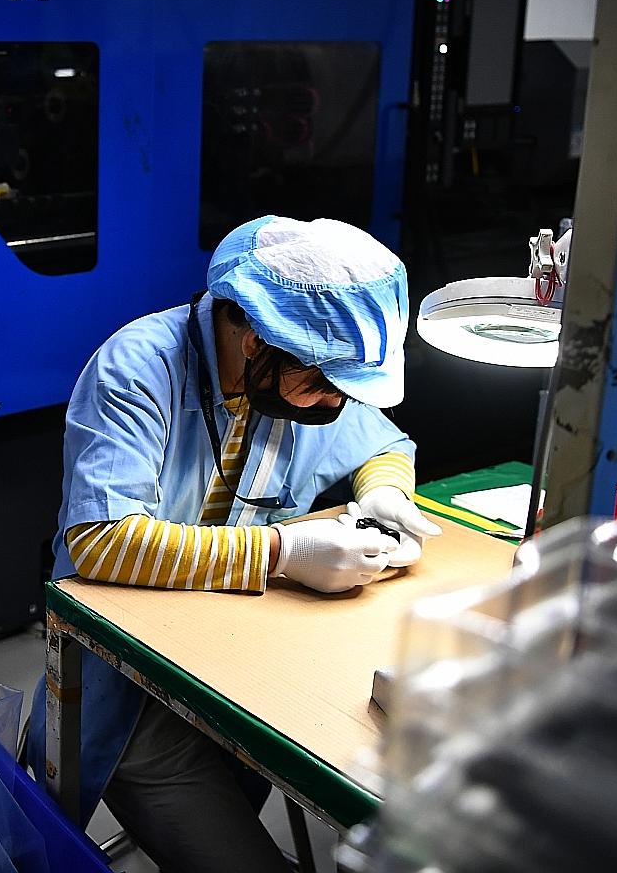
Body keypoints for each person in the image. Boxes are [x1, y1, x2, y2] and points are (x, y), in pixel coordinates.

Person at [27, 215, 440, 873]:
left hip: (238, 666)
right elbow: (102, 541)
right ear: (252, 334)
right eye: (325, 383)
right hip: (136, 688)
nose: (334, 405)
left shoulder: (300, 381)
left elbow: (385, 444)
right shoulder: (136, 370)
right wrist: (282, 555)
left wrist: (386, 492)